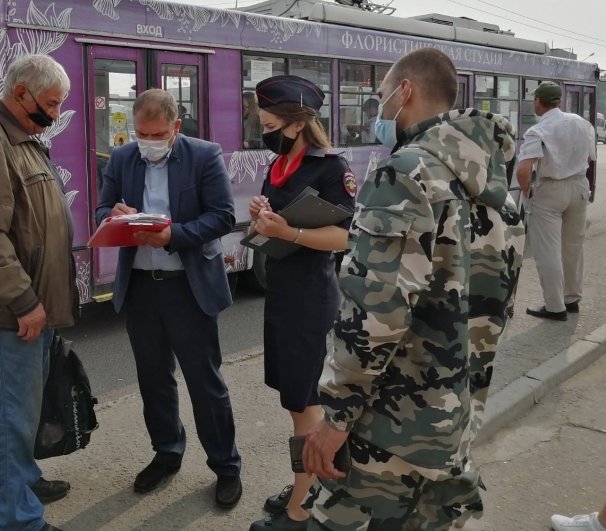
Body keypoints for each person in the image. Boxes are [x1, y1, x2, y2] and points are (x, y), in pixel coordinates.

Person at [301, 48, 525, 530]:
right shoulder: (497, 189)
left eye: (381, 97)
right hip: (453, 423)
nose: (379, 111)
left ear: (405, 92)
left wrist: (335, 418)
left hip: (387, 431)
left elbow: (376, 313)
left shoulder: (404, 173)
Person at [95, 88, 243, 509]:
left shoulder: (203, 155)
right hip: (142, 286)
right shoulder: (124, 158)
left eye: (157, 133)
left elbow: (222, 216)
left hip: (187, 287)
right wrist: (112, 218)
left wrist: (173, 234)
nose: (148, 140)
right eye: (141, 132)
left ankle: (226, 466)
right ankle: (167, 453)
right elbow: (101, 208)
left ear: (175, 128)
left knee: (205, 382)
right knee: (153, 379)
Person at [0, 54, 76, 531]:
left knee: (22, 415)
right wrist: (24, 300)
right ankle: (17, 520)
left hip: (31, 309)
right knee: (10, 421)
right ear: (20, 92)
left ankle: (22, 479)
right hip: (14, 314)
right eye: (50, 103)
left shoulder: (20, 137)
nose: (55, 113)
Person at [246, 76, 355, 531]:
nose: (263, 130)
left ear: (295, 124)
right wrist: (263, 218)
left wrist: (285, 231)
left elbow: (344, 235)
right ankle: (308, 485)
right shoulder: (278, 164)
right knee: (296, 403)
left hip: (311, 297)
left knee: (307, 405)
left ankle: (302, 507)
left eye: (270, 123)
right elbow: (283, 222)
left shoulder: (330, 165)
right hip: (284, 294)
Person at [517, 81, 596, 321]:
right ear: (559, 101)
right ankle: (572, 300)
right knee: (573, 247)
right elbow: (591, 157)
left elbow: (523, 169)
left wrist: (528, 192)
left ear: (538, 102)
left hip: (550, 190)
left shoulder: (538, 130)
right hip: (579, 186)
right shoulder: (583, 124)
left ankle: (554, 307)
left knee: (547, 250)